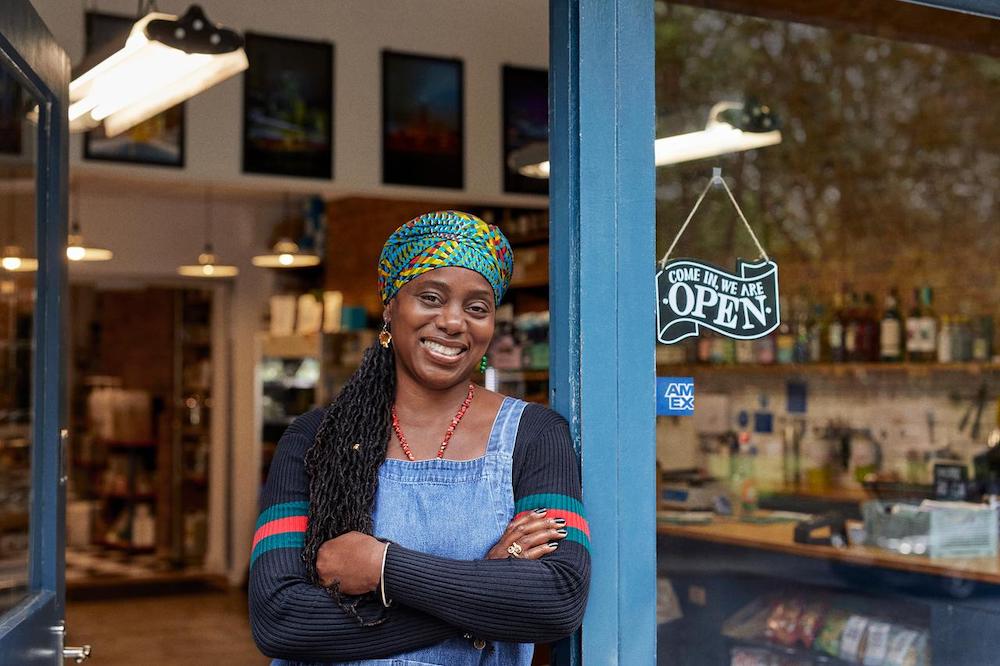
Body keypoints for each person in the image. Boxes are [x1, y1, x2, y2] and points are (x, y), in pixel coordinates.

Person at [249, 210, 591, 665]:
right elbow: (280, 618)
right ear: (390, 307)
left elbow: (558, 598)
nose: (453, 322)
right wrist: (486, 590)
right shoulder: (313, 440)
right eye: (431, 298)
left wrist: (381, 566)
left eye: (477, 308)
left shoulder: (535, 436)